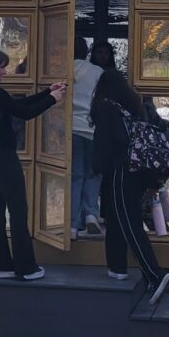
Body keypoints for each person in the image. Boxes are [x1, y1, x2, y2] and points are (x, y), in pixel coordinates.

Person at [0, 47, 66, 280]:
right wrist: (52, 99)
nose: (5, 72)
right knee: (18, 209)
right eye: (2, 67)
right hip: (3, 157)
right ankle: (26, 268)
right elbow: (24, 112)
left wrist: (47, 92)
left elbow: (18, 105)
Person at [90, 69, 169, 304]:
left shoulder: (106, 107)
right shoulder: (131, 106)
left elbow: (108, 141)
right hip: (137, 171)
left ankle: (155, 275)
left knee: (129, 223)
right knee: (117, 218)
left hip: (119, 171)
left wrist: (97, 166)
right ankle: (116, 268)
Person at [71, 36, 103, 238]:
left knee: (74, 176)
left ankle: (72, 225)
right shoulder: (97, 72)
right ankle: (91, 214)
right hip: (92, 130)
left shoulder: (61, 70)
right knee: (93, 173)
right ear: (87, 52)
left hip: (69, 130)